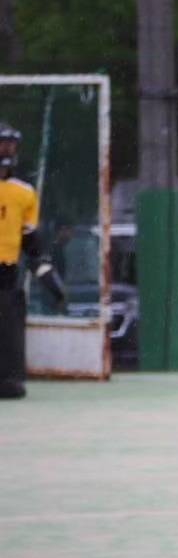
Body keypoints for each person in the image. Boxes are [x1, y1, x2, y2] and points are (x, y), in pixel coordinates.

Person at [0, 121, 56, 400]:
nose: (7, 150)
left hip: (6, 270)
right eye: (2, 144)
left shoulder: (24, 192)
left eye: (11, 145)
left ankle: (8, 379)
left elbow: (29, 237)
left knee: (9, 325)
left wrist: (44, 269)